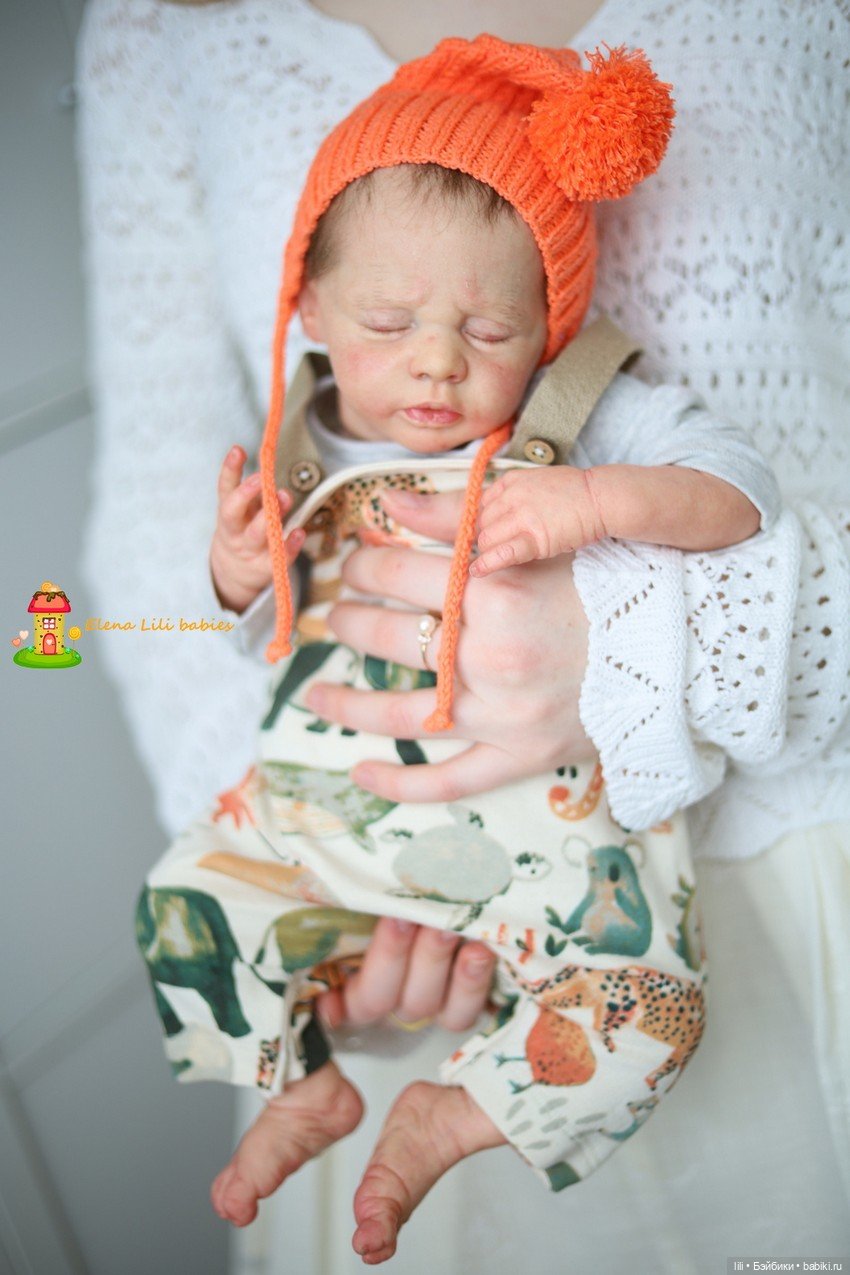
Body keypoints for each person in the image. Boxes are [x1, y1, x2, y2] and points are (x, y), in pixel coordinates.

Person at [77, 0, 850, 1266]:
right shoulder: (298, 433)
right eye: (389, 326)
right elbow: (212, 616)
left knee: (649, 1005)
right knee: (186, 908)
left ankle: (472, 1110)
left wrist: (598, 504)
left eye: (489, 332)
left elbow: (741, 492)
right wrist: (236, 574)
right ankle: (298, 1082)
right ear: (312, 311)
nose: (437, 364)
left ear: (546, 324)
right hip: (343, 818)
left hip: (571, 831)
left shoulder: (588, 402)